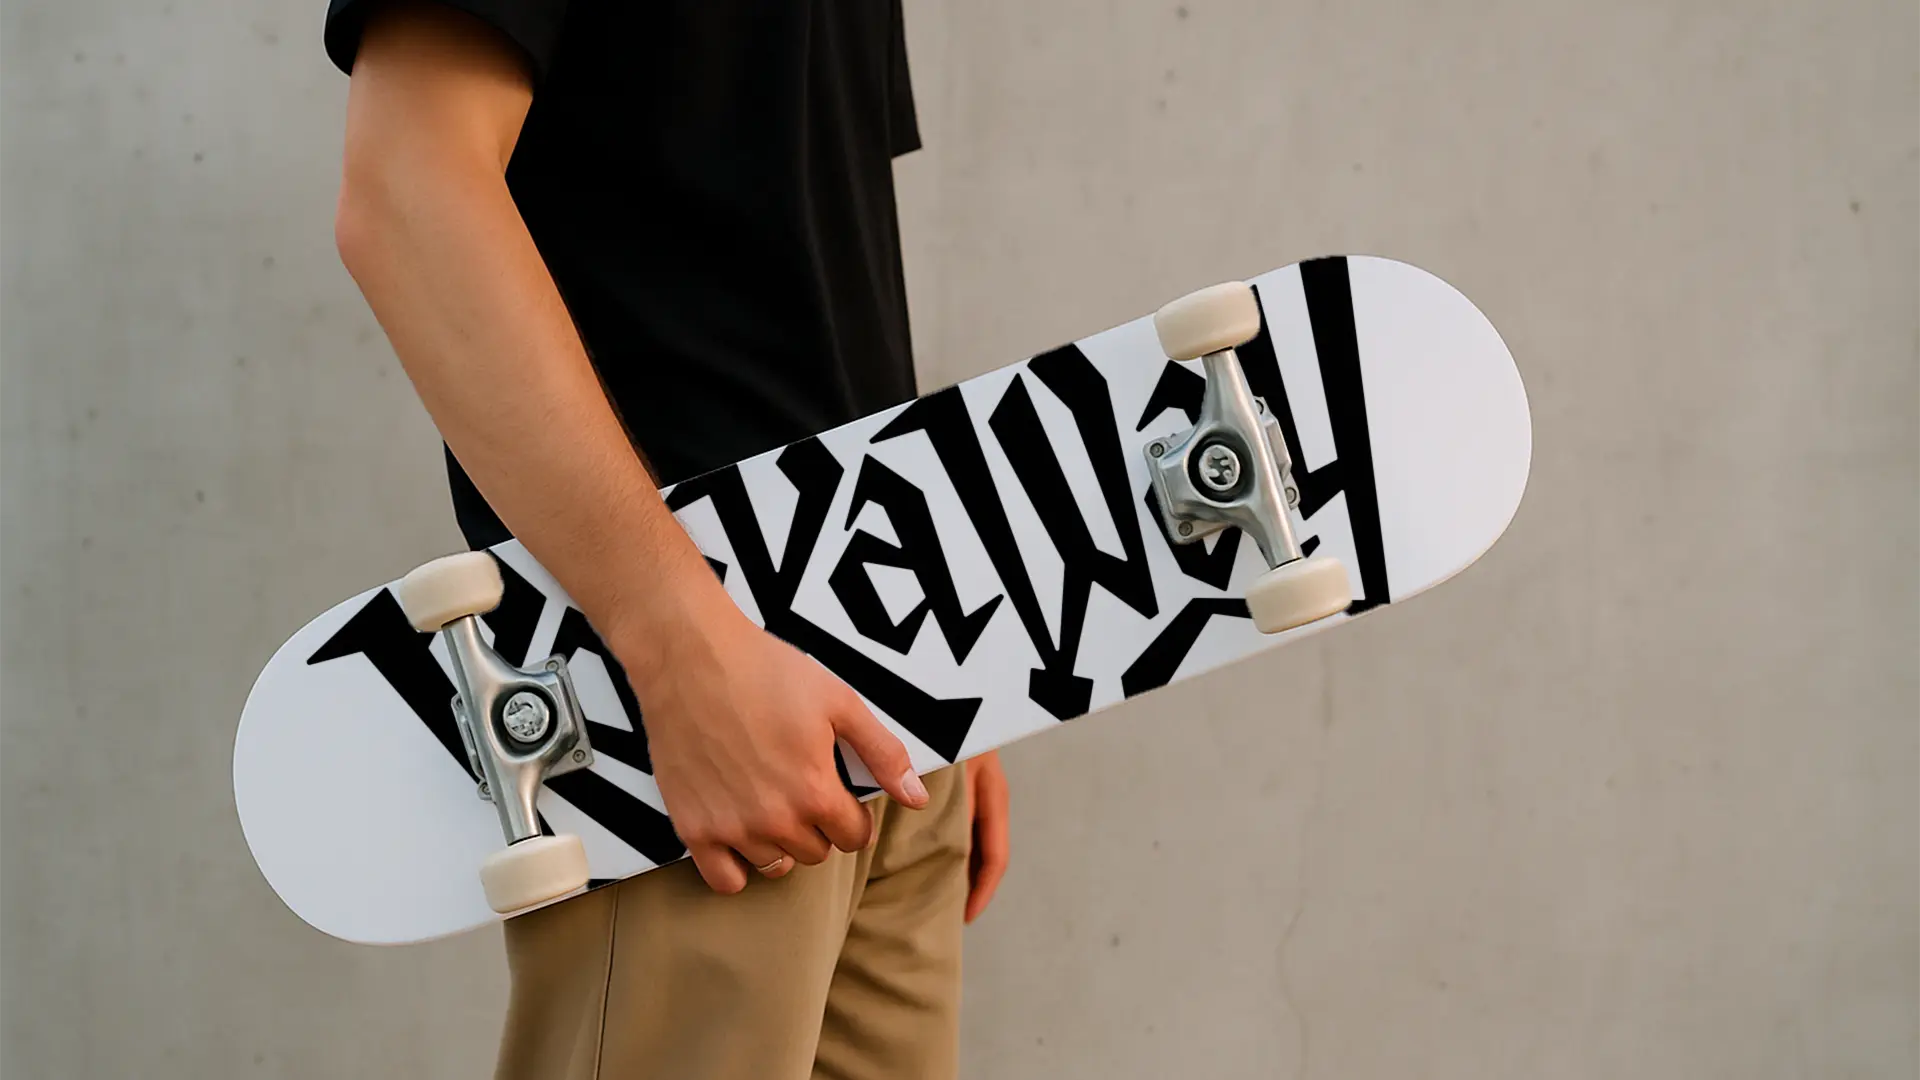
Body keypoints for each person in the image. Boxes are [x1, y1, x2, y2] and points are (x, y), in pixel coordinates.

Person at [320, 2, 1011, 1077]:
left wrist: (940, 649)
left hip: (870, 702)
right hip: (673, 733)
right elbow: (410, 193)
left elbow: (815, 258)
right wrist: (678, 640)